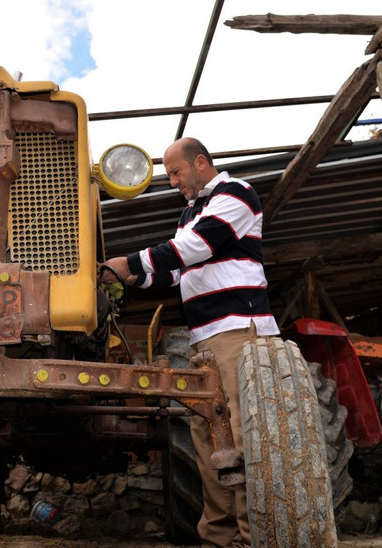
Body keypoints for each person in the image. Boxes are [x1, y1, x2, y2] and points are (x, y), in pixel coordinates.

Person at [102, 137, 279, 548]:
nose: (172, 182)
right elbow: (179, 271)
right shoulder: (190, 213)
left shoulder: (237, 193)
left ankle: (254, 539)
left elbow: (196, 247)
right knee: (210, 441)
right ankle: (220, 538)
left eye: (176, 173)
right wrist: (131, 277)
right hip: (205, 338)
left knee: (239, 436)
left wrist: (131, 261)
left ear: (200, 163)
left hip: (236, 332)